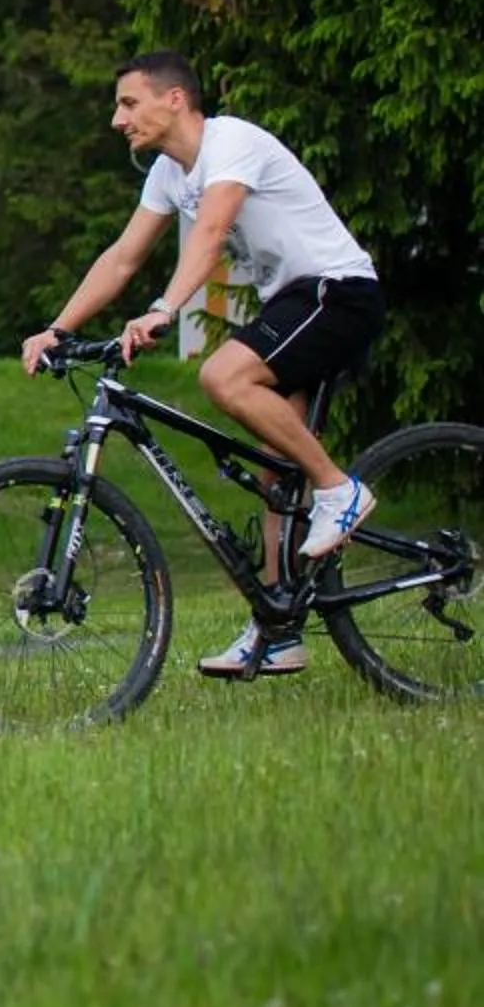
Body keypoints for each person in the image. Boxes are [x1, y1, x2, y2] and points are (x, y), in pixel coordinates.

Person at [21, 50, 384, 679]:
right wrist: (59, 327)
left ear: (175, 100)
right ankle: (278, 630)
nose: (117, 120)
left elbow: (212, 233)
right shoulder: (168, 172)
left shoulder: (231, 142)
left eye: (128, 103)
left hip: (336, 292)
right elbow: (123, 258)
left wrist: (164, 309)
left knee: (223, 376)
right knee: (276, 471)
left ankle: (341, 491)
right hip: (294, 301)